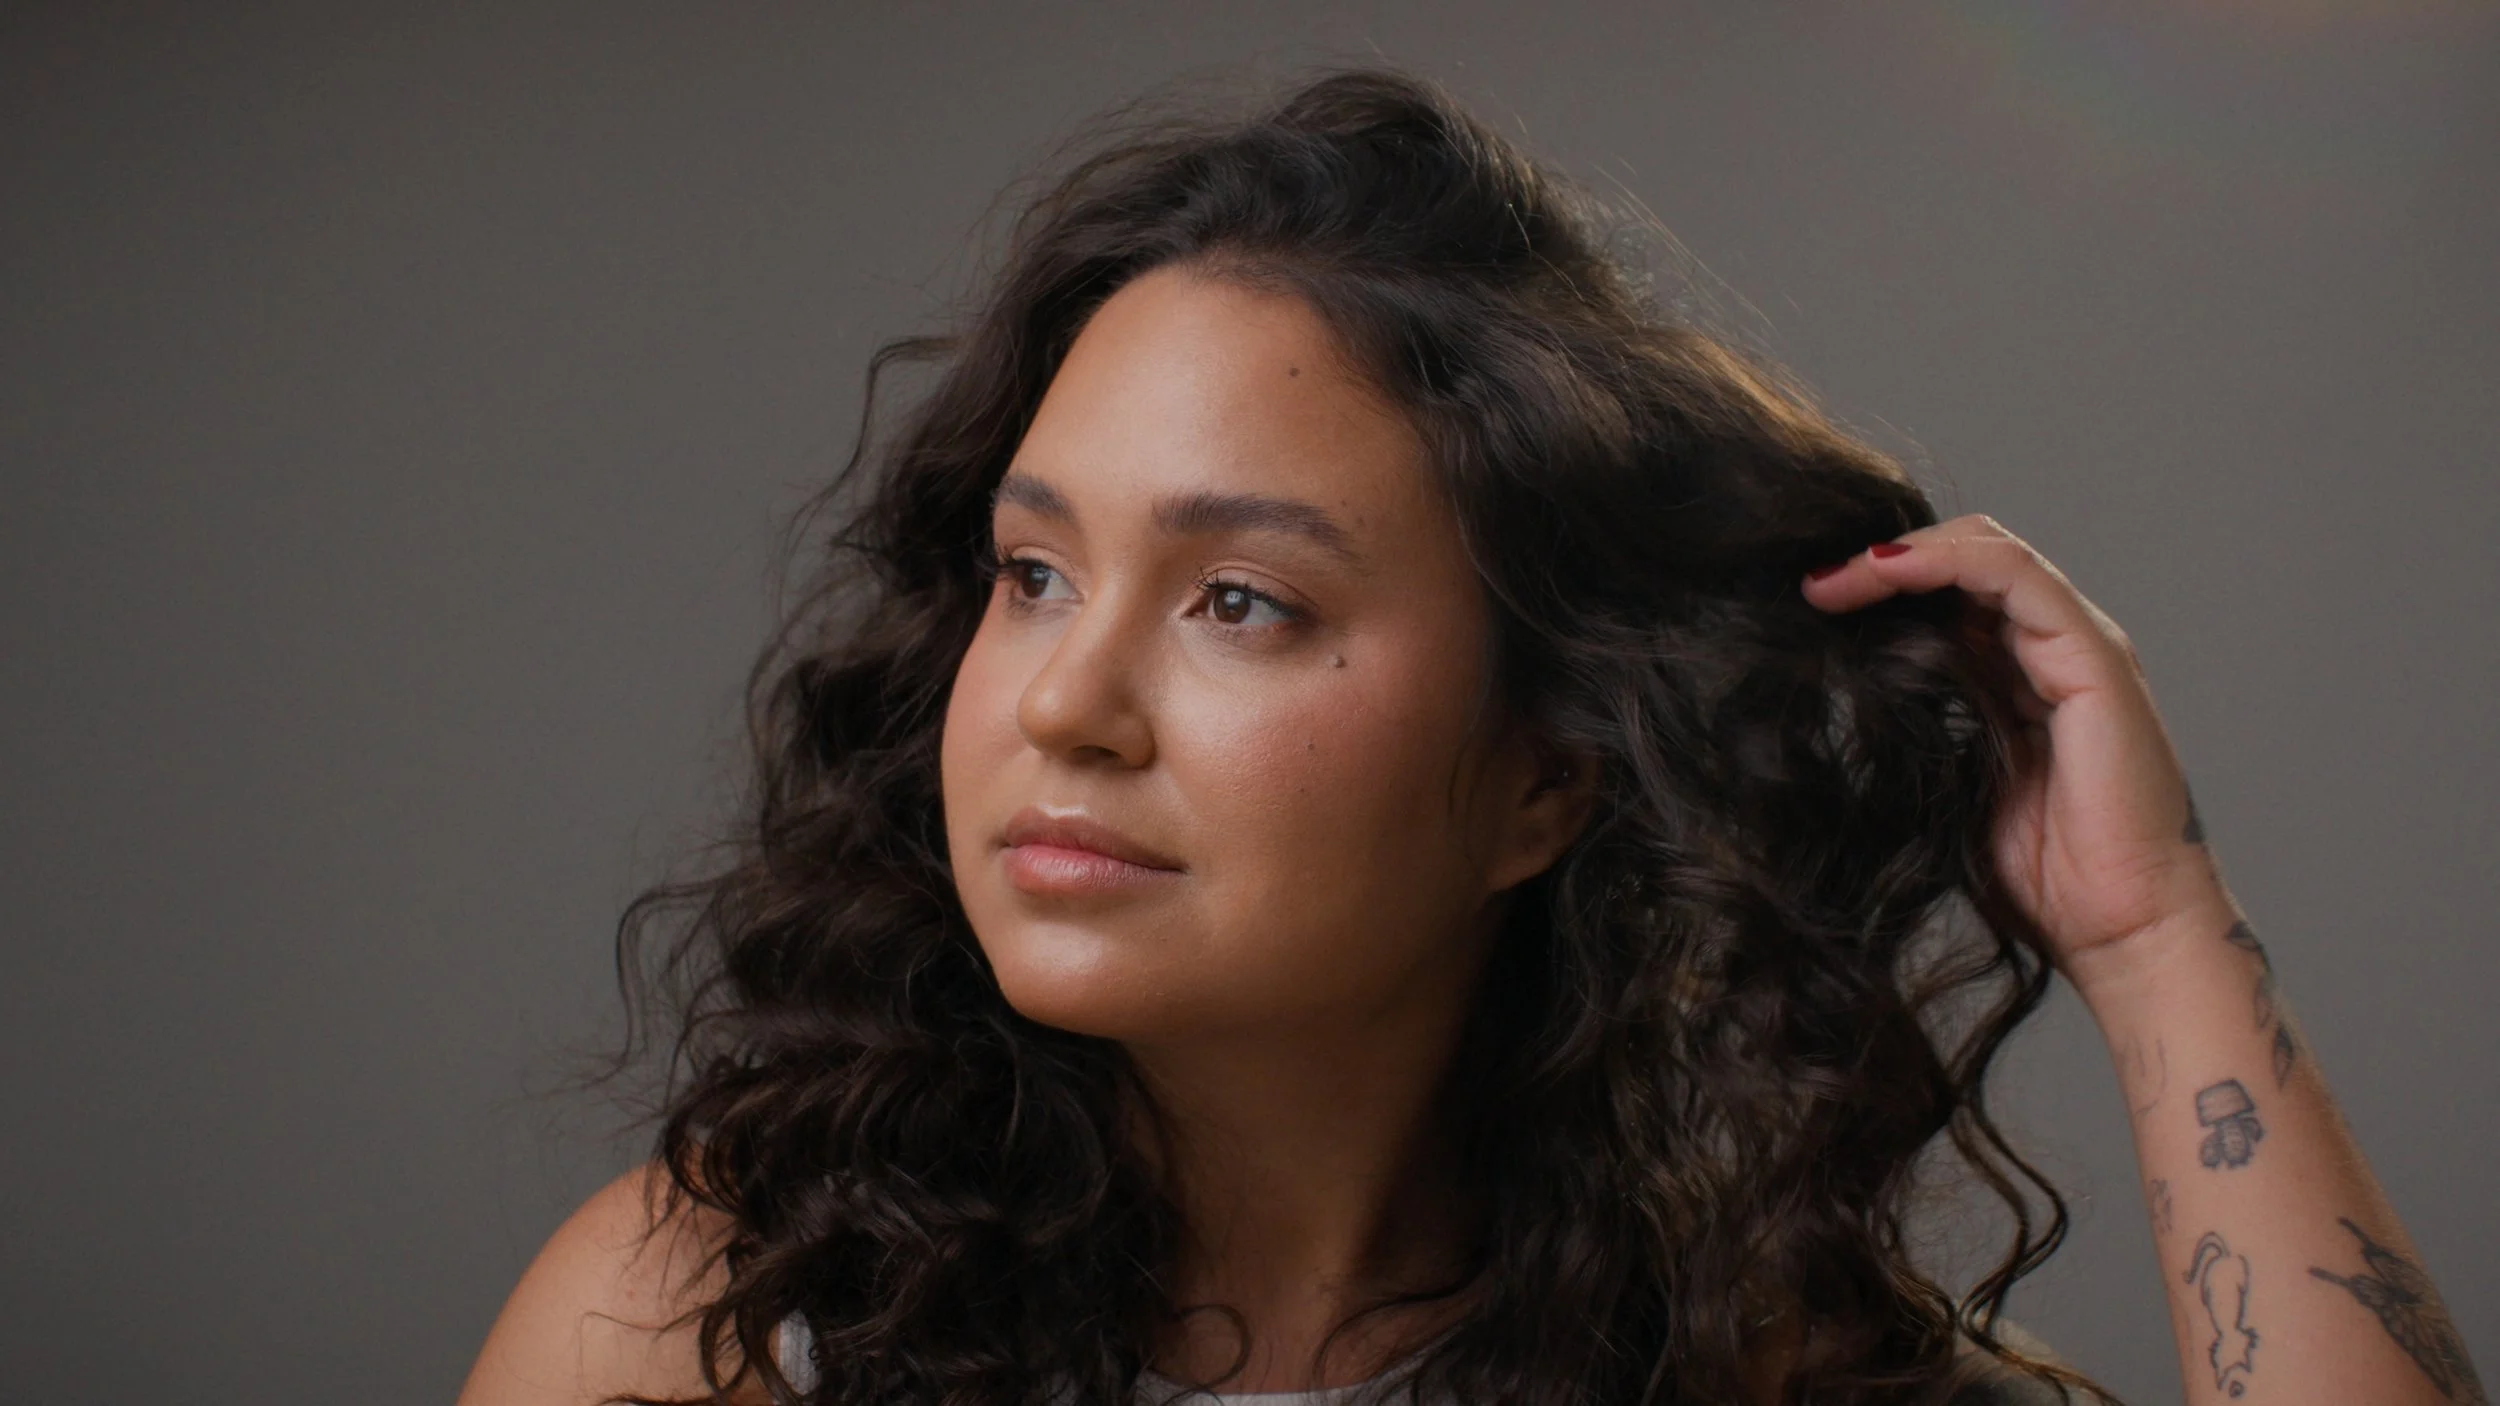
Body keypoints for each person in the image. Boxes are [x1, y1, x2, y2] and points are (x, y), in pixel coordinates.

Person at [454, 65, 2485, 1406]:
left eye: (1241, 601)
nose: (1061, 703)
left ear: (1547, 772)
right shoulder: (717, 1321)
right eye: (1033, 572)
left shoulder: (1760, 1372)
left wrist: (2151, 936)